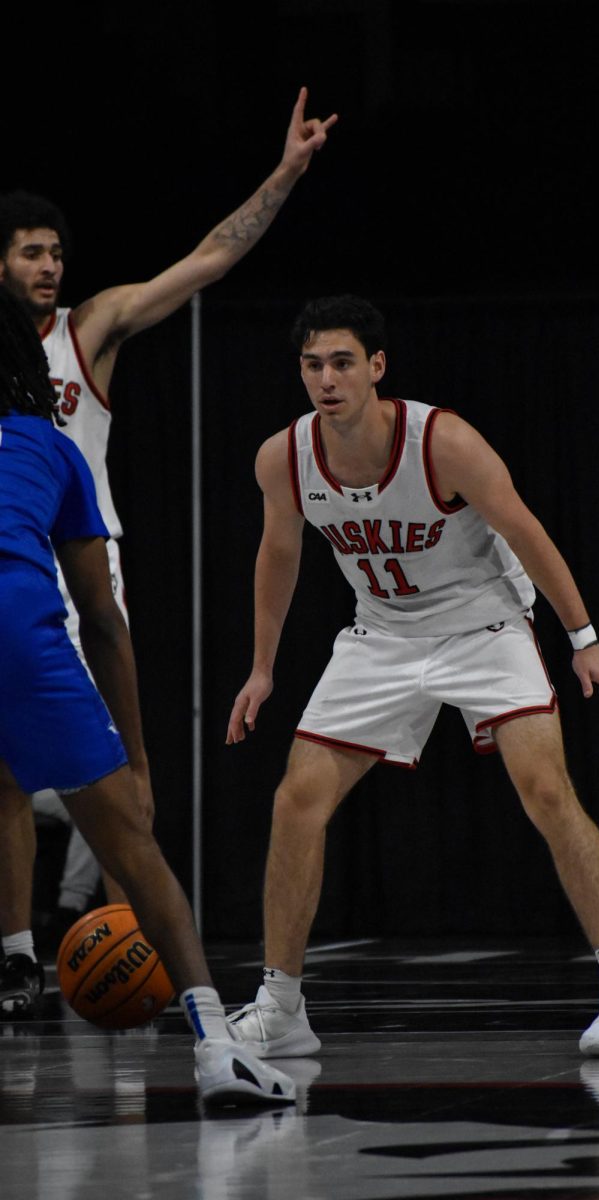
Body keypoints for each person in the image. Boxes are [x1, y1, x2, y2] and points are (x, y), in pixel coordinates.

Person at [225, 294, 599, 1059]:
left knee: (549, 791)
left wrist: (583, 639)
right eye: (312, 365)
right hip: (381, 636)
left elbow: (525, 530)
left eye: (341, 363)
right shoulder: (283, 456)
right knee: (296, 800)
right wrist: (261, 668)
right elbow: (279, 557)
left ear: (376, 367)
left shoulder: (442, 440)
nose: (326, 379)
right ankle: (283, 1007)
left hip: (482, 624)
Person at [0, 88, 337, 989]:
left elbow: (205, 263)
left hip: (77, 566)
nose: (50, 266)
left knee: (111, 783)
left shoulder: (89, 329)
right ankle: (16, 961)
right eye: (31, 252)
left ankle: (125, 953)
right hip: (10, 562)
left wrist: (286, 172)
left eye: (57, 252)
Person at [0, 286, 295, 1104]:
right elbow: (102, 618)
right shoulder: (51, 447)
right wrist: (137, 760)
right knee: (132, 846)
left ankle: (14, 951)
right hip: (20, 631)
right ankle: (216, 1050)